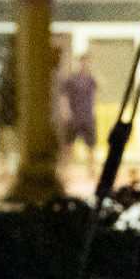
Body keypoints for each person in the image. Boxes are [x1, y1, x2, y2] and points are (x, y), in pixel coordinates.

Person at [53, 40, 100, 178]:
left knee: (91, 146)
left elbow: (96, 95)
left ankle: (91, 171)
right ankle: (66, 173)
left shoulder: (91, 79)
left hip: (88, 117)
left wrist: (94, 112)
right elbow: (64, 96)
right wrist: (66, 111)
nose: (85, 64)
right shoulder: (72, 79)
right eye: (82, 61)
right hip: (74, 117)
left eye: (87, 61)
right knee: (69, 147)